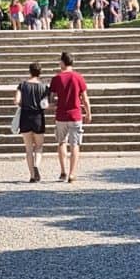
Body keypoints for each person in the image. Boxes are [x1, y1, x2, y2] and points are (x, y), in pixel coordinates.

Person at [48, 48, 92, 183]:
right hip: (75, 115)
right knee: (75, 144)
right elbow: (85, 97)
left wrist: (54, 104)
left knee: (61, 142)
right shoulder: (78, 77)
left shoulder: (56, 78)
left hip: (61, 115)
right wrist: (88, 112)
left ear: (62, 62)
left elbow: (50, 98)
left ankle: (63, 171)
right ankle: (72, 174)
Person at [13, 60, 49, 181]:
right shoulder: (44, 87)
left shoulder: (22, 85)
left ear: (30, 72)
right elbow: (46, 104)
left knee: (28, 148)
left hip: (25, 117)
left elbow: (16, 101)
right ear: (40, 73)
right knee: (39, 147)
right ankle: (36, 166)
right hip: (38, 117)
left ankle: (32, 175)